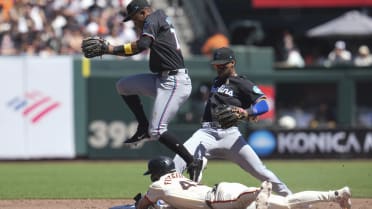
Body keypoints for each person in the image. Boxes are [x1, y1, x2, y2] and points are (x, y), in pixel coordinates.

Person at [81, 0, 202, 180]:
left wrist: (111, 49)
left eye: (134, 18)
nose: (134, 23)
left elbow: (143, 45)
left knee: (158, 130)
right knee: (123, 86)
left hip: (174, 81)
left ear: (144, 12)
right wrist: (111, 50)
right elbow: (142, 45)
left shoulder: (152, 19)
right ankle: (143, 125)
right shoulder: (158, 17)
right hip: (162, 78)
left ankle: (192, 161)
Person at [173, 47, 292, 196]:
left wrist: (246, 112)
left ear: (233, 63)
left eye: (223, 64)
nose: (219, 67)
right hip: (206, 133)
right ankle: (164, 198)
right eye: (217, 65)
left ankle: (289, 198)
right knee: (179, 159)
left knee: (261, 171)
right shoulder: (217, 80)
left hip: (231, 136)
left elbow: (263, 104)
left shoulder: (241, 82)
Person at [134, 156, 352, 209]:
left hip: (218, 201)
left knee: (253, 200)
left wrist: (146, 204)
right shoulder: (179, 178)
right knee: (287, 203)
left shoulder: (157, 186)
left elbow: (141, 206)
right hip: (224, 189)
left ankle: (260, 195)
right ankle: (336, 194)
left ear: (155, 173)